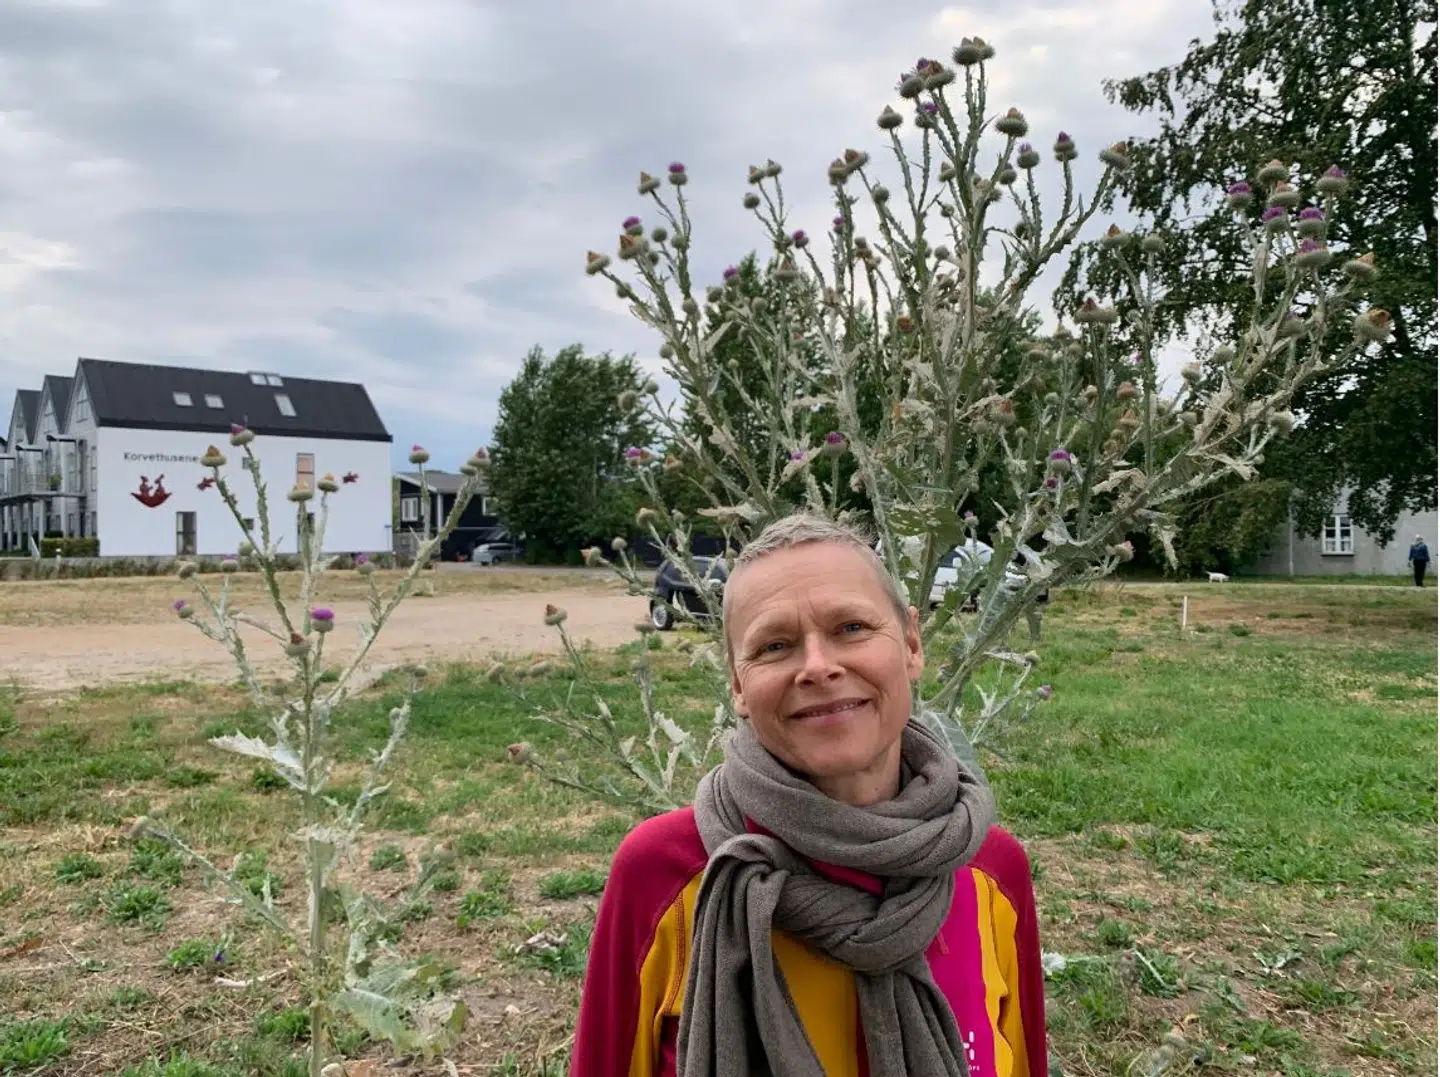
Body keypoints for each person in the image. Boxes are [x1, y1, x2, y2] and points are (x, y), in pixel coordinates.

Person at [570, 513, 1047, 1077]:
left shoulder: (990, 868)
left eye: (851, 628)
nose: (818, 667)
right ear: (739, 684)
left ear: (912, 644)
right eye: (775, 645)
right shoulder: (665, 872)